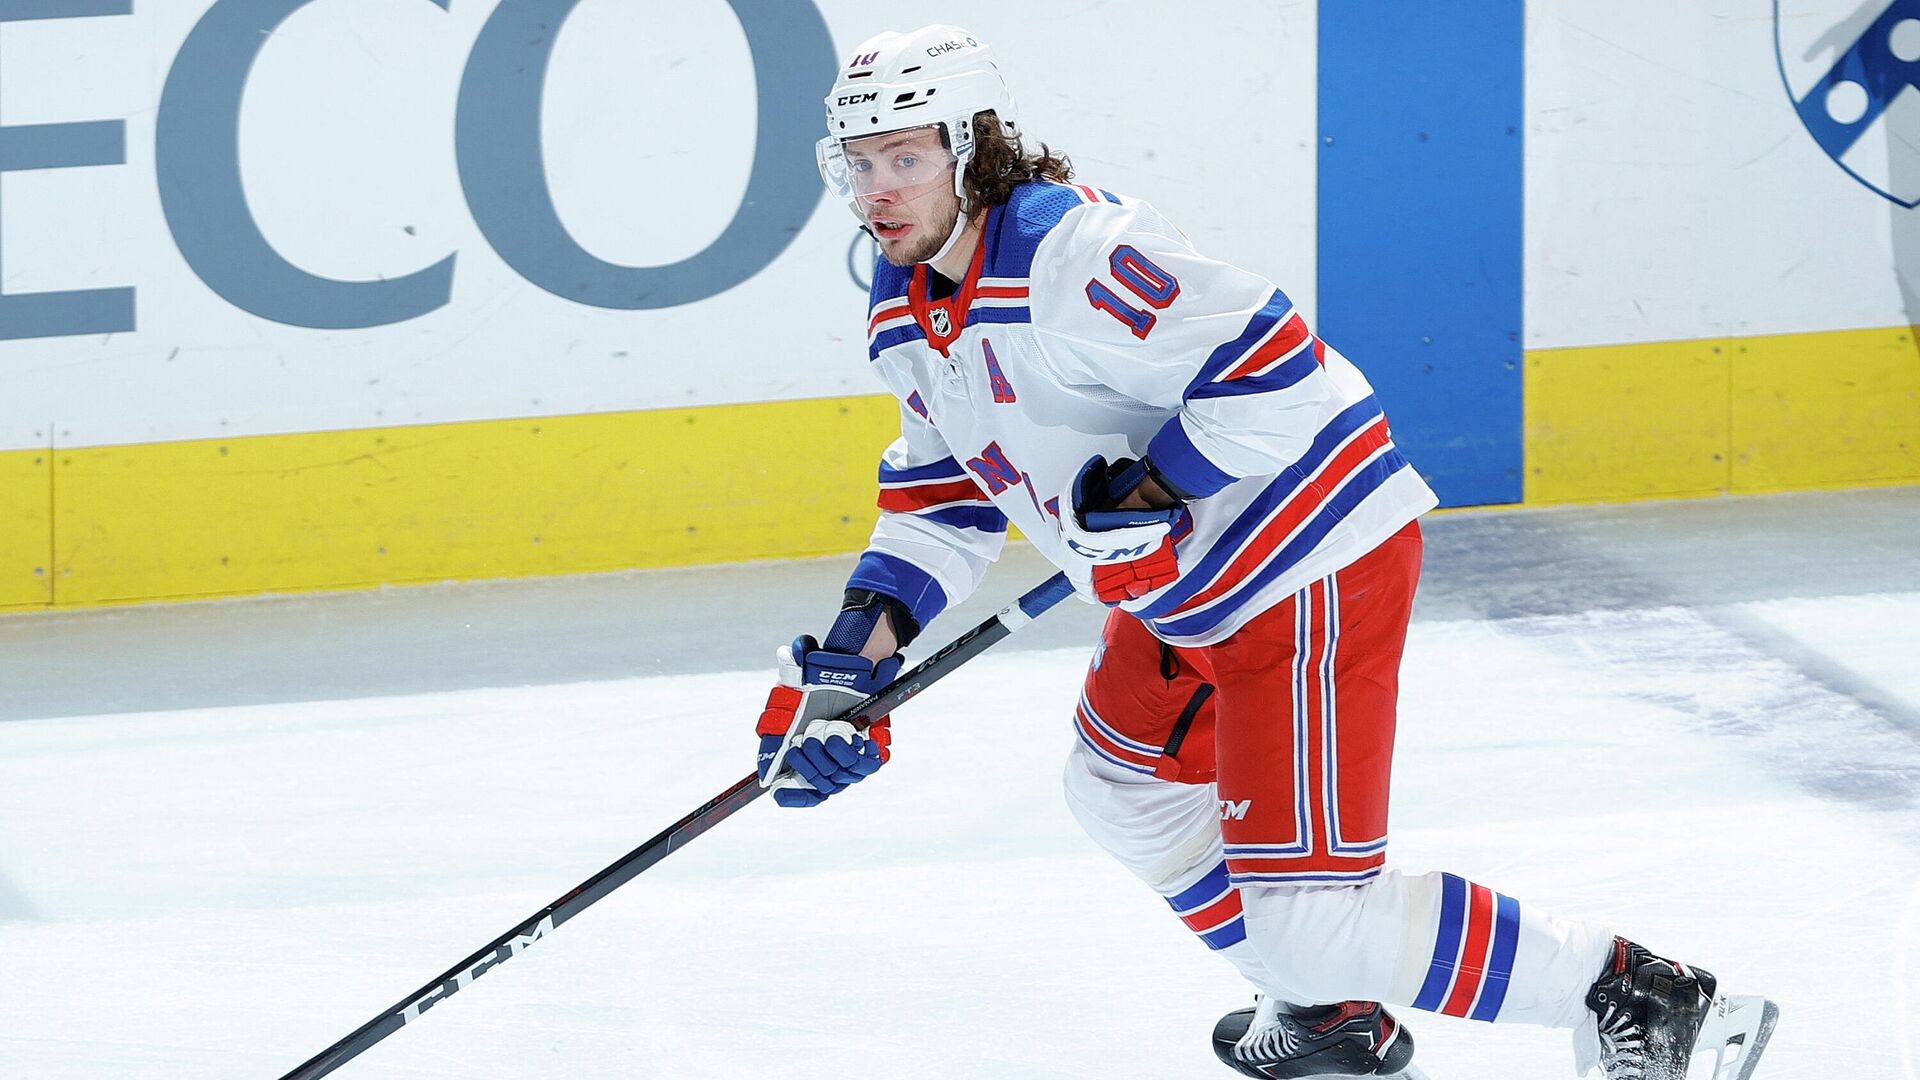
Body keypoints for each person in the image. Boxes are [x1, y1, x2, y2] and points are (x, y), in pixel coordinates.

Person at [753, 24, 1777, 1080]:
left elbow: (1278, 367)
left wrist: (1156, 487)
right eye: (861, 162)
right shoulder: (903, 304)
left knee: (1310, 921)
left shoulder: (1074, 254)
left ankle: (1639, 995)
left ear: (973, 149)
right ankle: (1328, 1015)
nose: (879, 189)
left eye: (908, 157)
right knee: (1123, 789)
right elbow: (945, 492)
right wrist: (849, 664)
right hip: (1184, 595)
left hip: (1307, 566)